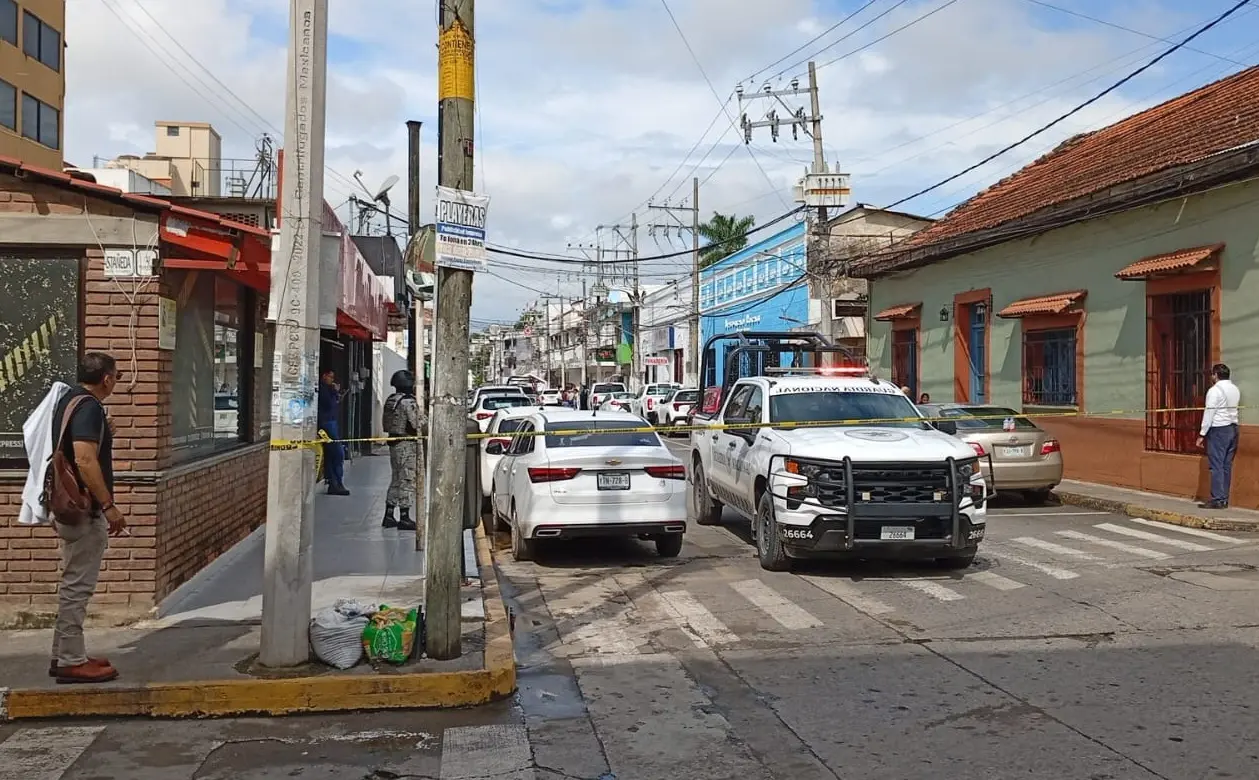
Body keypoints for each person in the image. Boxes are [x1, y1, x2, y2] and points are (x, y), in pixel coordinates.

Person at [49, 352, 128, 684]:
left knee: (72, 582)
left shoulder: (69, 400)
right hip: (84, 511)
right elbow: (83, 459)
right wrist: (108, 505)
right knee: (76, 588)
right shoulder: (89, 406)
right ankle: (70, 660)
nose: (116, 382)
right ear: (106, 378)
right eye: (117, 376)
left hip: (71, 509)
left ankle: (65, 652)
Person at [382, 370, 422, 531]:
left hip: (394, 442)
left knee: (396, 479)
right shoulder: (408, 402)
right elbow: (417, 423)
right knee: (407, 479)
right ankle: (404, 516)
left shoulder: (391, 400)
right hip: (407, 442)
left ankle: (389, 514)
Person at [1197, 362, 1241, 509]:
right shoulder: (1235, 389)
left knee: (1216, 465)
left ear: (1215, 375)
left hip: (1219, 430)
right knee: (1226, 465)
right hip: (1233, 428)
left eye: (1212, 374)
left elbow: (1209, 413)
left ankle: (1217, 499)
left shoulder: (1214, 391)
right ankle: (1224, 498)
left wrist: (1202, 433)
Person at [318, 369, 350, 496]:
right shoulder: (323, 389)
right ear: (324, 376)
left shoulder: (328, 390)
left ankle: (335, 482)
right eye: (330, 377)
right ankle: (335, 482)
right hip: (326, 424)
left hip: (331, 421)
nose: (332, 380)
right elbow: (328, 404)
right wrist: (334, 391)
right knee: (338, 453)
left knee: (332, 454)